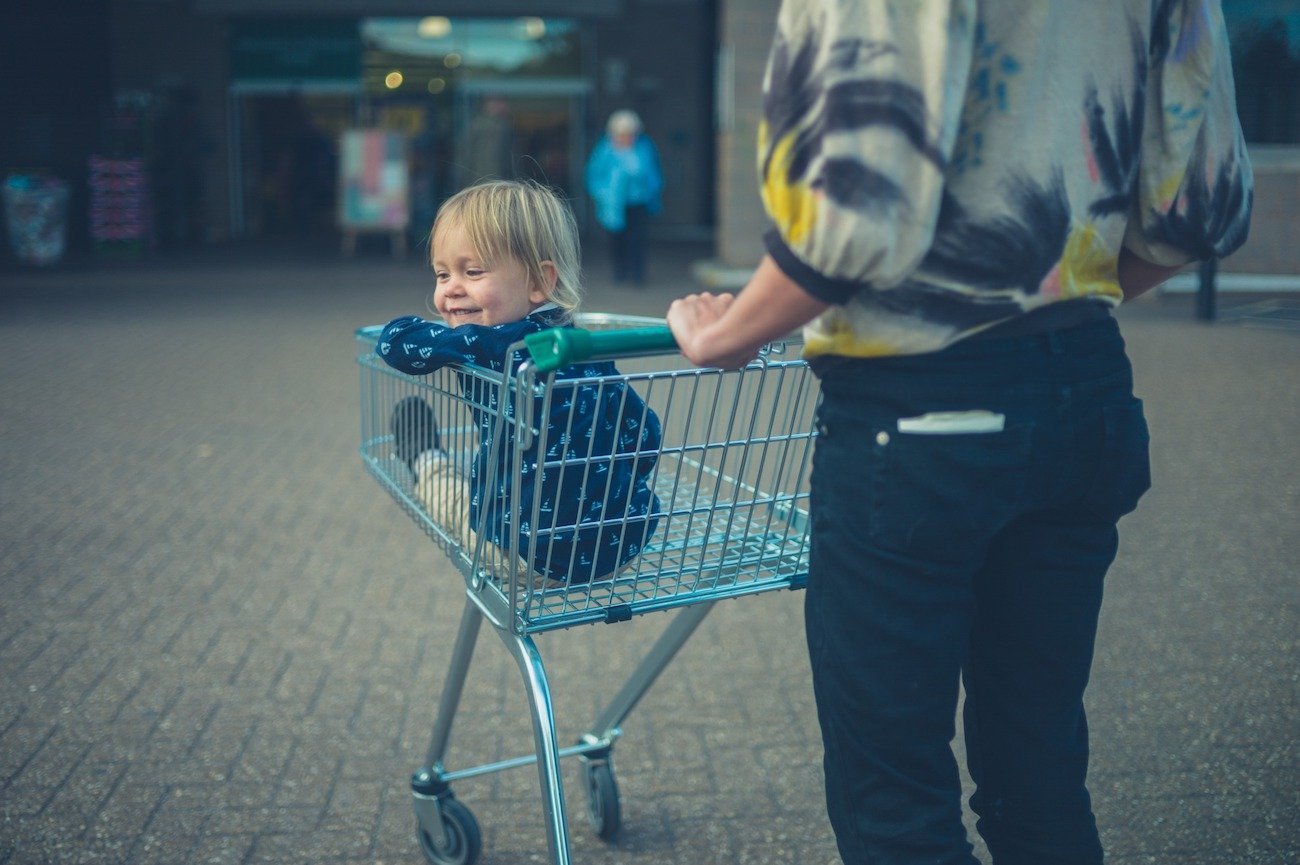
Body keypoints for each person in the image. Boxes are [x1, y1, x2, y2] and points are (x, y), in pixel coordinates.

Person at [667, 3, 1252, 864]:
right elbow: (1198, 206)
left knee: (895, 804)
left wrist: (725, 333)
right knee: (1039, 773)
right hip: (1083, 391)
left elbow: (856, 210)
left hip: (916, 417)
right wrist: (1046, 306)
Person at [378, 179, 662, 584]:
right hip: (621, 545)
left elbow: (394, 342)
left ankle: (426, 460)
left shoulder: (493, 343)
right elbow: (644, 432)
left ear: (538, 282)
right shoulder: (583, 346)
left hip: (528, 556)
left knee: (453, 503)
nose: (451, 290)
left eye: (473, 271)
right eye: (442, 275)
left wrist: (446, 337)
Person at [585, 109, 663, 284]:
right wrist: (602, 195)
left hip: (638, 201)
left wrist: (652, 191)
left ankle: (638, 275)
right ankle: (620, 273)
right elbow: (594, 176)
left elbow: (653, 173)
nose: (626, 138)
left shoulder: (644, 147)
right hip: (613, 204)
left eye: (630, 134)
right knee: (617, 240)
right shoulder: (605, 149)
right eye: (622, 134)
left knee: (638, 239)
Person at [455, 98, 514, 190]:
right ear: (490, 105)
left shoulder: (475, 124)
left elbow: (465, 156)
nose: (506, 107)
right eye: (502, 103)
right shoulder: (499, 127)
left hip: (479, 181)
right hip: (492, 181)